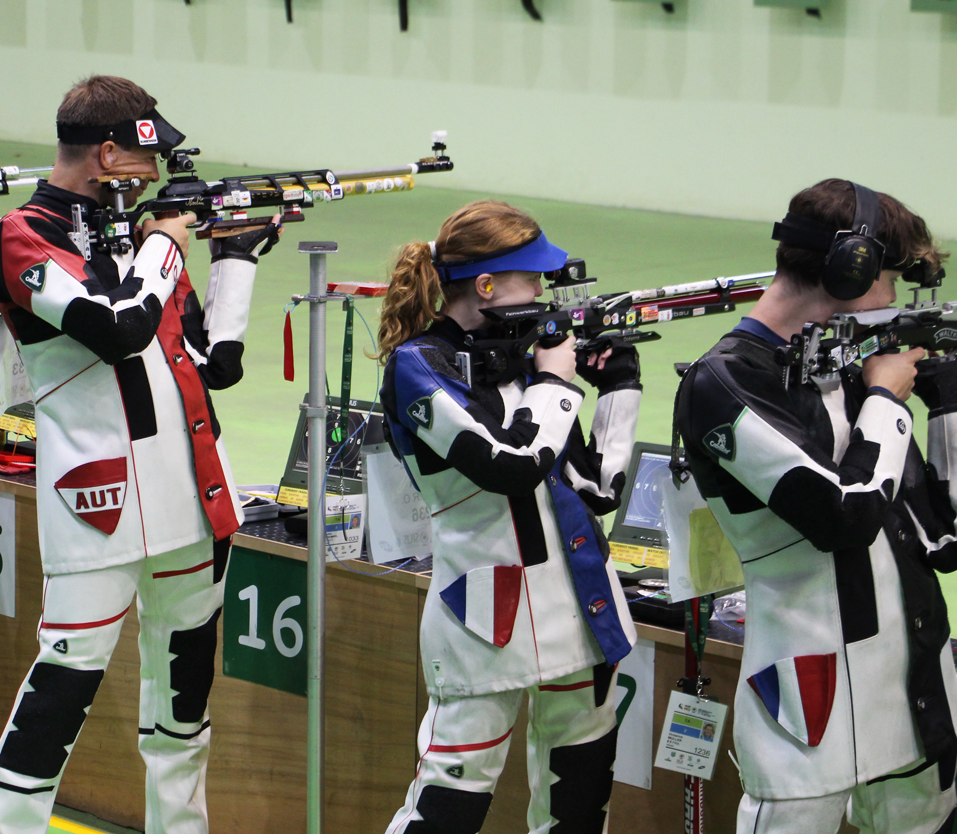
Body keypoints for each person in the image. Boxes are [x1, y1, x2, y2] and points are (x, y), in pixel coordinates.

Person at [0, 75, 279, 834]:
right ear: (107, 153)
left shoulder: (136, 237)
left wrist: (235, 260)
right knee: (60, 694)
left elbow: (214, 366)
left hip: (191, 494)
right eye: (148, 159)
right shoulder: (24, 234)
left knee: (182, 706)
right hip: (98, 503)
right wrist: (167, 244)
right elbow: (119, 327)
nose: (157, 177)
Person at [675, 179, 957, 834]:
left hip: (915, 684)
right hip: (811, 705)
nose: (892, 298)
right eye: (888, 277)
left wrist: (944, 403)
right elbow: (844, 516)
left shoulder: (853, 362)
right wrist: (887, 402)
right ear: (851, 269)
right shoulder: (724, 383)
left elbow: (944, 534)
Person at [377, 201, 640, 833]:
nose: (546, 295)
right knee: (446, 807)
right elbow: (509, 465)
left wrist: (620, 389)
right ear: (488, 287)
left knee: (578, 807)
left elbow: (598, 488)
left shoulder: (522, 359)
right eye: (535, 280)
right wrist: (555, 382)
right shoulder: (419, 367)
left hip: (578, 610)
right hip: (484, 620)